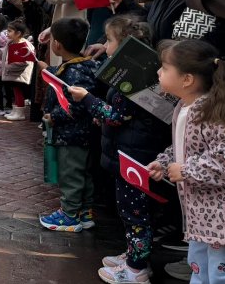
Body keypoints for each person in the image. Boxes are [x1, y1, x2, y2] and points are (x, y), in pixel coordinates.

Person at [67, 16, 169, 283]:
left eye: (109, 40)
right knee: (130, 210)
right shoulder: (136, 72)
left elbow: (117, 115)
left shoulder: (134, 77)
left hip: (135, 156)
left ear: (124, 44)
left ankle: (137, 268)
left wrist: (88, 100)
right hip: (129, 151)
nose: (105, 44)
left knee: (135, 212)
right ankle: (134, 255)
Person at [148, 39, 225, 284]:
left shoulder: (212, 111)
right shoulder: (184, 106)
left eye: (164, 68)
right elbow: (184, 148)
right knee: (199, 269)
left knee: (222, 276)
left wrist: (185, 170)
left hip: (223, 219)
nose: (158, 72)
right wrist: (165, 163)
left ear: (187, 79)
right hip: (199, 216)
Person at [38, 17, 101, 232]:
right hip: (88, 134)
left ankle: (69, 215)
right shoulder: (87, 66)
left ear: (57, 45)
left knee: (71, 175)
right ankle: (85, 212)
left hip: (72, 135)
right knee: (85, 174)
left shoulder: (73, 71)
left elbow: (75, 106)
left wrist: (53, 116)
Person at [0, 20, 35, 120]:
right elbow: (4, 55)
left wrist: (9, 66)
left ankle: (20, 113)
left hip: (18, 74)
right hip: (12, 73)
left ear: (18, 33)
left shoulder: (25, 45)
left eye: (10, 31)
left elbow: (25, 61)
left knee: (18, 92)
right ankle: (16, 111)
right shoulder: (10, 43)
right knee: (15, 92)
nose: (7, 33)